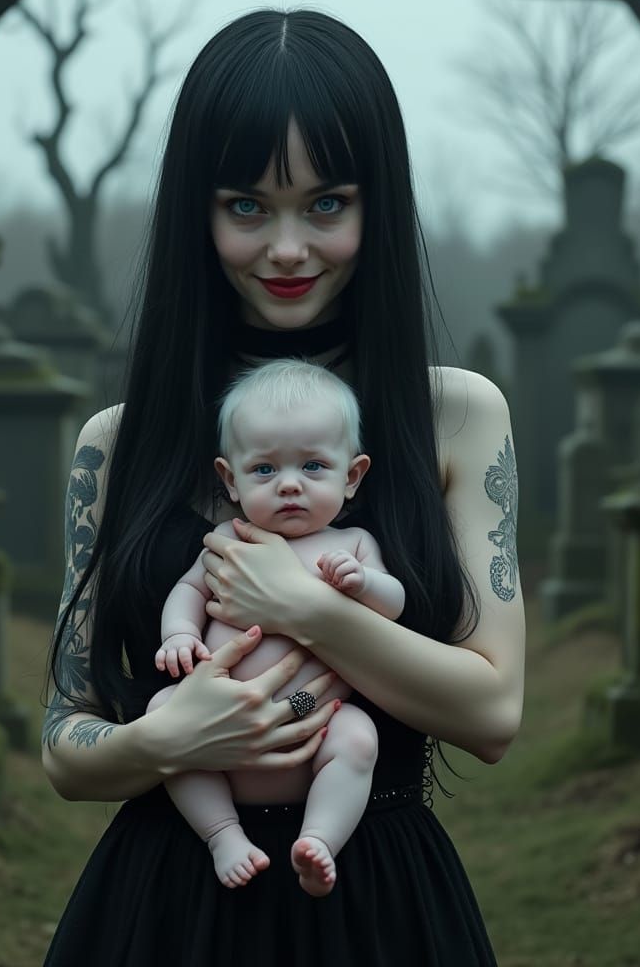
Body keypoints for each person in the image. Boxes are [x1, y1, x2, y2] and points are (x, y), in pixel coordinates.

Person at [42, 8, 525, 967]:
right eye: (248, 206)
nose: (290, 248)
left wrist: (306, 606)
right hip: (167, 907)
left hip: (376, 898)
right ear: (199, 210)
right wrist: (163, 740)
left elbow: (492, 716)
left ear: (374, 207)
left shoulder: (458, 418)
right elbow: (66, 740)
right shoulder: (117, 445)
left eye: (327, 204)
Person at [152, 358, 405, 895]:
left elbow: (394, 604)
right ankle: (223, 834)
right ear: (231, 479)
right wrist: (179, 633)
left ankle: (317, 841)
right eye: (265, 470)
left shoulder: (352, 545)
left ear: (352, 475)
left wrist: (362, 583)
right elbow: (189, 590)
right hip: (213, 729)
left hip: (315, 723)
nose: (289, 485)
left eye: (313, 466)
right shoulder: (228, 539)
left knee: (358, 736)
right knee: (158, 715)